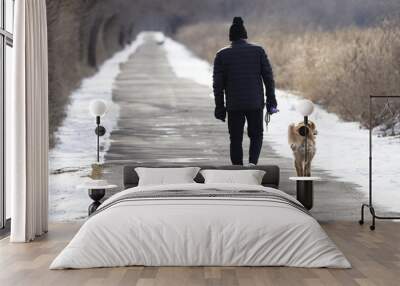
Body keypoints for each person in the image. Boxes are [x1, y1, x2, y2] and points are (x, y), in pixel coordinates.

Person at [213, 16, 278, 166]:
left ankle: (237, 169)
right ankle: (252, 164)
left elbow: (218, 85)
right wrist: (271, 99)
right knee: (256, 135)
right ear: (244, 35)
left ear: (231, 37)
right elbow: (268, 78)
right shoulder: (258, 51)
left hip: (234, 104)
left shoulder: (222, 55)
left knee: (235, 138)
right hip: (255, 103)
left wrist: (219, 106)